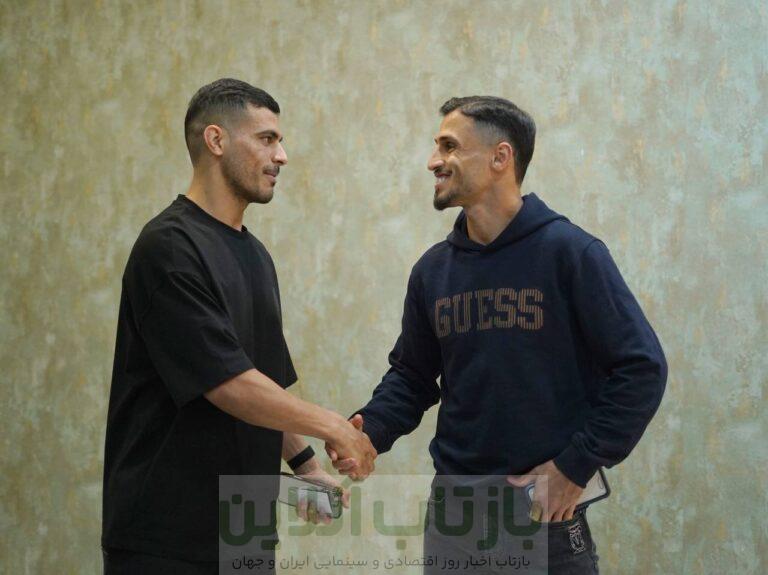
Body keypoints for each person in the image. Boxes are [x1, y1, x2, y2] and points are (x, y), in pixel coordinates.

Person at [333, 96, 667, 573]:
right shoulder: (432, 271)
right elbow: (411, 377)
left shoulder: (570, 253)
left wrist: (577, 464)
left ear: (500, 157)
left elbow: (642, 368)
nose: (433, 161)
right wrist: (370, 430)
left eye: (449, 147)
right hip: (453, 516)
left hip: (540, 511)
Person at [101, 78, 376, 575]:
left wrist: (307, 466)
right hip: (165, 541)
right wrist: (335, 426)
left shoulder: (256, 255)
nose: (282, 156)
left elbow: (261, 382)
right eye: (267, 139)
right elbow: (229, 385)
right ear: (216, 140)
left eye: (279, 141)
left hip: (245, 536)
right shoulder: (169, 249)